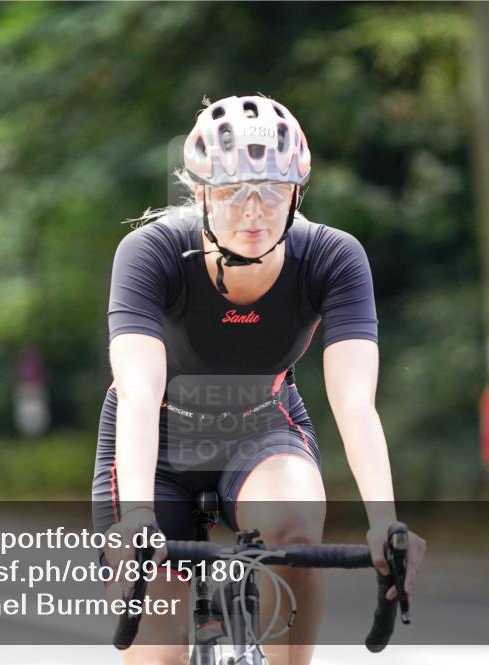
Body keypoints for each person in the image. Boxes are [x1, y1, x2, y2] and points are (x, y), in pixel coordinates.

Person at [92, 95, 427, 665]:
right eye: (231, 192)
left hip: (263, 429)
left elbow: (353, 401)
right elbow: (140, 392)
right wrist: (138, 516)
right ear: (199, 194)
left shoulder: (333, 257)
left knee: (296, 526)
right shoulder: (150, 254)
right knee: (158, 657)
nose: (253, 210)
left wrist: (383, 522)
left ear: (297, 192)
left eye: (271, 190)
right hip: (160, 444)